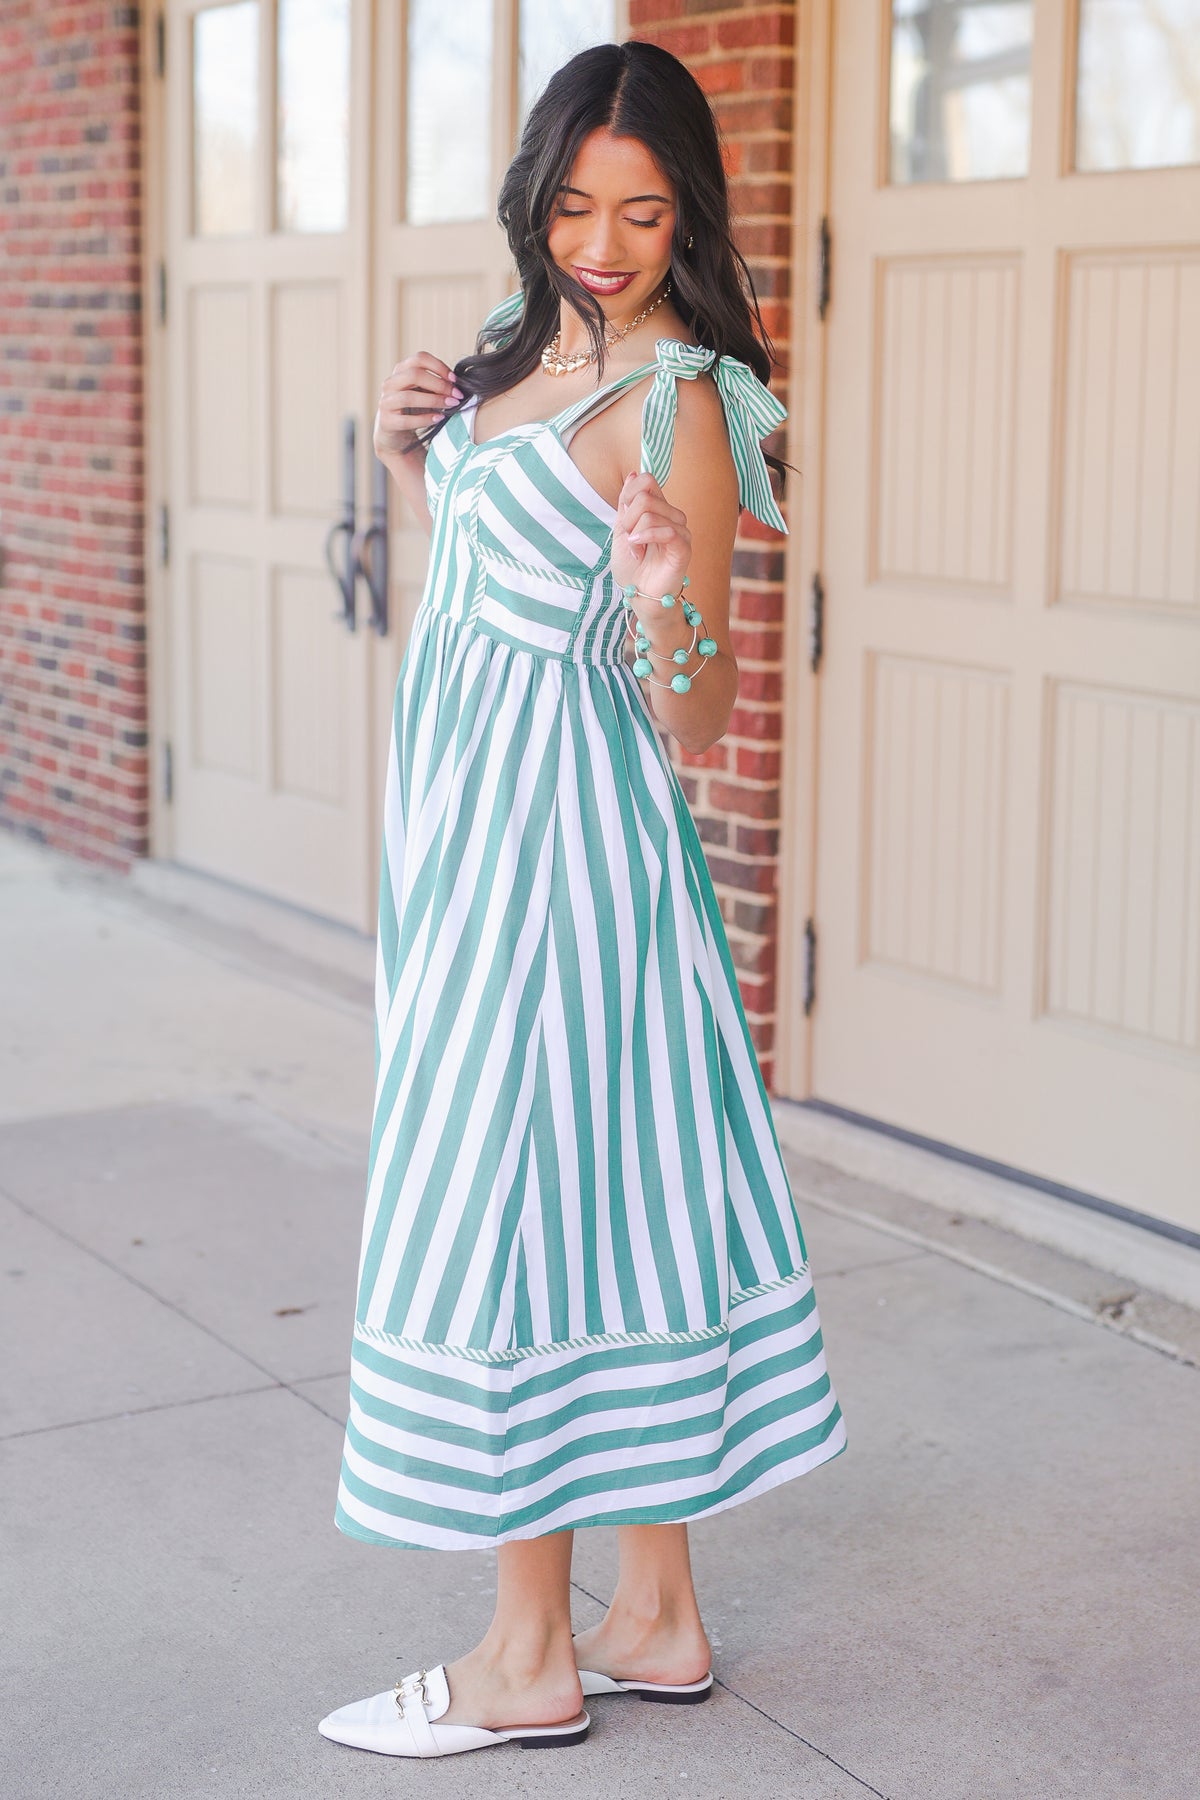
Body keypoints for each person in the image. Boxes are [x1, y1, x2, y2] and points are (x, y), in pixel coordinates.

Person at [317, 38, 846, 1762]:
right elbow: (464, 621)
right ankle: (659, 1617)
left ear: (690, 211)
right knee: (609, 1196)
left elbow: (698, 716)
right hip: (470, 845)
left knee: (520, 1206)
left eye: (640, 211)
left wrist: (672, 587)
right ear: (535, 196)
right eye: (571, 206)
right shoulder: (519, 353)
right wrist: (417, 465)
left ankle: (526, 1657)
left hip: (566, 867)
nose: (602, 243)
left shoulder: (684, 397)